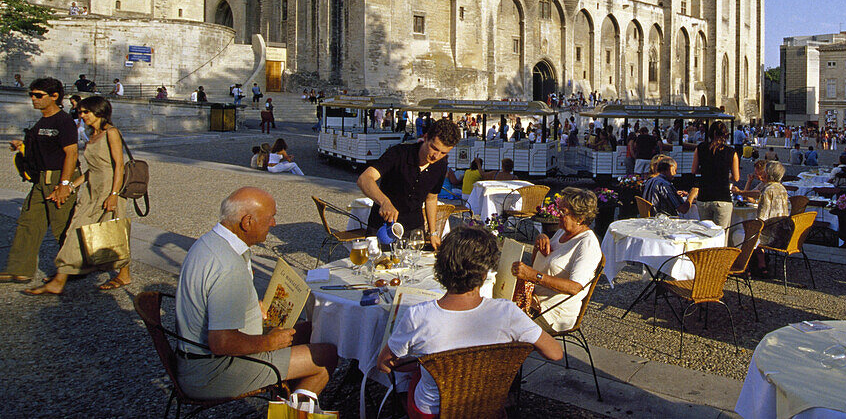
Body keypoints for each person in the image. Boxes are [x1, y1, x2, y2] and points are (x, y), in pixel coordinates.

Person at [379, 226, 562, 417]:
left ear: (440, 268)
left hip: (434, 412)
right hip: (486, 406)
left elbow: (384, 365)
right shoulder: (507, 312)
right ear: (484, 274)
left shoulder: (418, 316)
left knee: (411, 378)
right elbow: (555, 353)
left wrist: (426, 363)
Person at [175, 188, 337, 400]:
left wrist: (250, 304)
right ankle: (293, 412)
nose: (274, 224)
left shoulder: (209, 243)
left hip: (195, 358)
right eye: (270, 218)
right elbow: (221, 342)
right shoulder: (228, 266)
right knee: (327, 355)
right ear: (247, 222)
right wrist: (270, 343)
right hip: (212, 371)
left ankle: (286, 394)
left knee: (315, 329)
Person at [23, 95, 131, 294]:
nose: (82, 115)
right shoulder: (93, 134)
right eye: (80, 112)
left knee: (113, 230)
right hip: (92, 189)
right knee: (76, 228)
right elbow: (93, 169)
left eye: (85, 112)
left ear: (99, 112)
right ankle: (63, 275)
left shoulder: (111, 133)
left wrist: (114, 194)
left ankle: (123, 274)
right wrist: (71, 186)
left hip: (109, 187)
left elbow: (118, 167)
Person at [0, 78, 80, 284]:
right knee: (28, 222)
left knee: (63, 225)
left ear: (55, 97)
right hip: (41, 179)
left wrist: (64, 185)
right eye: (31, 95)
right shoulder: (41, 122)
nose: (33, 99)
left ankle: (74, 268)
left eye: (38, 95)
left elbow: (71, 153)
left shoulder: (63, 121)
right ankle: (20, 269)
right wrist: (21, 145)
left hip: (59, 176)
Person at [357, 118, 461, 249]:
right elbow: (364, 179)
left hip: (414, 229)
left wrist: (433, 232)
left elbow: (431, 198)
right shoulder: (398, 153)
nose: (436, 156)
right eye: (434, 148)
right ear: (426, 137)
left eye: (443, 153)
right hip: (382, 227)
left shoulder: (441, 165)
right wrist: (384, 202)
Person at [510, 188, 603, 332]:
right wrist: (539, 241)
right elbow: (539, 264)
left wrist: (533, 276)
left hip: (552, 314)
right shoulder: (562, 231)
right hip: (533, 300)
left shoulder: (587, 244)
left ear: (580, 218)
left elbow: (575, 287)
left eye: (563, 212)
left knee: (499, 323)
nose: (558, 214)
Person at [688, 122, 739, 242]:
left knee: (705, 235)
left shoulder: (700, 148)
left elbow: (693, 170)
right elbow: (736, 177)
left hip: (704, 196)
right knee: (721, 236)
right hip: (722, 197)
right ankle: (720, 260)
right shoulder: (731, 152)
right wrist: (726, 175)